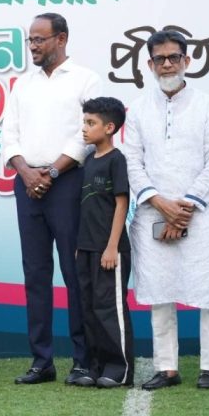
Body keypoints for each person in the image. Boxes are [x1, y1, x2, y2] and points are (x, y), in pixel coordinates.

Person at [123, 30, 209, 390]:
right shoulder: (138, 109)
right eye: (159, 59)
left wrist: (185, 208)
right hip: (153, 212)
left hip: (202, 215)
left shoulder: (208, 106)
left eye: (173, 57)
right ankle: (166, 367)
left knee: (208, 290)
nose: (167, 64)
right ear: (150, 64)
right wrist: (160, 203)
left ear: (187, 60)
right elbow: (133, 162)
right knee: (160, 290)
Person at [1, 12, 100, 386]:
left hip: (68, 183)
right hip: (27, 185)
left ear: (61, 39)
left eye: (39, 39)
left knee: (75, 274)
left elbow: (86, 135)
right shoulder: (22, 85)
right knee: (35, 273)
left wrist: (53, 172)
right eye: (30, 40)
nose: (33, 46)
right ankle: (41, 361)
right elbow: (9, 134)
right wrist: (27, 173)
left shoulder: (85, 79)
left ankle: (83, 360)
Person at [75, 97, 134, 388]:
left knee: (109, 308)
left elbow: (121, 204)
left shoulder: (116, 160)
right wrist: (80, 245)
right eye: (84, 122)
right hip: (86, 248)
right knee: (89, 309)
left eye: (91, 123)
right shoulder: (88, 160)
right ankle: (94, 367)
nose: (84, 128)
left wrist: (112, 247)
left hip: (110, 249)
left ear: (109, 128)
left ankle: (118, 369)